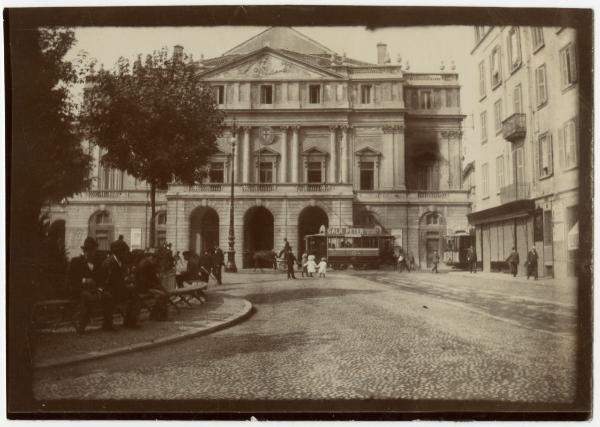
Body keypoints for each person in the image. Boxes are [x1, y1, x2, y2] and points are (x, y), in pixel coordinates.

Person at [67, 237, 104, 334]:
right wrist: (84, 280)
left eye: (93, 251)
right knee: (86, 297)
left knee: (107, 296)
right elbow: (71, 279)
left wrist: (100, 290)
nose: (92, 253)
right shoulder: (75, 261)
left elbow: (101, 279)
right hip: (78, 290)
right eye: (88, 251)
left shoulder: (97, 263)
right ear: (85, 251)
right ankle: (81, 325)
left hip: (93, 291)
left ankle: (108, 324)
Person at [102, 239, 140, 330]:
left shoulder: (120, 262)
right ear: (119, 252)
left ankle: (130, 321)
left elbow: (120, 279)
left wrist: (127, 281)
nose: (126, 254)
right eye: (125, 252)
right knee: (131, 293)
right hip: (109, 290)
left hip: (117, 289)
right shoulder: (110, 262)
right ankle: (108, 325)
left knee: (134, 293)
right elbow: (106, 280)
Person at [135, 252, 169, 321]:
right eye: (154, 259)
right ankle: (155, 315)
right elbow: (144, 281)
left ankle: (158, 315)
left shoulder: (146, 264)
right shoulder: (145, 265)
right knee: (162, 295)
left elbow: (153, 278)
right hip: (143, 288)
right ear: (149, 257)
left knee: (164, 293)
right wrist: (156, 286)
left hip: (146, 287)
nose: (155, 261)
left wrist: (158, 286)